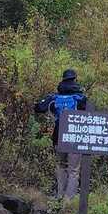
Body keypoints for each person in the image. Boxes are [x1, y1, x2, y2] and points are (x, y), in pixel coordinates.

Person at [34, 69, 88, 199]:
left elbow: (38, 108)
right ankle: (69, 200)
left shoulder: (54, 98)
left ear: (62, 80)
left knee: (61, 165)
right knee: (73, 170)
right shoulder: (80, 98)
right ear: (75, 79)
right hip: (75, 137)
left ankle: (59, 196)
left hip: (58, 136)